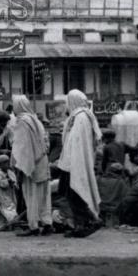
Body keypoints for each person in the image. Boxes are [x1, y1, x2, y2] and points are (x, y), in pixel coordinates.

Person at [57, 88, 102, 238]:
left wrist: (73, 162)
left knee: (74, 193)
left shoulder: (82, 117)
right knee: (67, 192)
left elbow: (77, 143)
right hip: (68, 162)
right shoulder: (77, 116)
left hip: (74, 163)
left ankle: (89, 220)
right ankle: (81, 223)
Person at [10, 94, 52, 237]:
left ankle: (33, 226)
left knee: (31, 195)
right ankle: (47, 224)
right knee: (44, 196)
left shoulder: (22, 122)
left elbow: (22, 148)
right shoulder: (36, 120)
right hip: (42, 161)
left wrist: (20, 167)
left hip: (30, 163)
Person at [0, 155, 19, 231]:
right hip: (2, 195)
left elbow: (14, 180)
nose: (7, 165)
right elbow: (1, 184)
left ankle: (3, 225)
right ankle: (9, 222)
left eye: (8, 163)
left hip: (10, 194)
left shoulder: (9, 172)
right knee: (8, 208)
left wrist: (14, 183)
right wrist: (8, 181)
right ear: (0, 165)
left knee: (5, 209)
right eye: (5, 163)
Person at [97, 162, 130, 227]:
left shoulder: (100, 179)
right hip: (114, 210)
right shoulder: (120, 182)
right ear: (120, 172)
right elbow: (126, 197)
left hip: (100, 208)